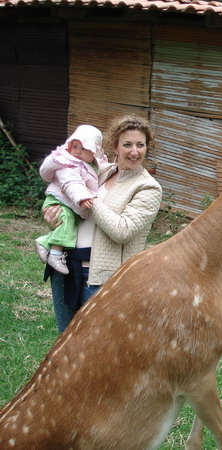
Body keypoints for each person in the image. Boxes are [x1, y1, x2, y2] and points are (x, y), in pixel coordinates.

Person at [44, 115, 162, 333]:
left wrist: (86, 198)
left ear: (147, 147)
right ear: (115, 146)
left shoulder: (148, 188)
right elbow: (72, 207)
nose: (134, 151)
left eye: (140, 145)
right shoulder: (99, 171)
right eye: (127, 144)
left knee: (94, 347)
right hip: (66, 266)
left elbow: (122, 231)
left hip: (100, 278)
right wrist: (55, 220)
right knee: (64, 340)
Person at [35, 125, 105, 275]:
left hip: (68, 202)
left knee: (70, 225)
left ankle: (45, 242)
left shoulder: (90, 165)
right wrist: (82, 197)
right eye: (75, 146)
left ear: (94, 152)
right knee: (66, 221)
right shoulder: (68, 164)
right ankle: (55, 255)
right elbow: (71, 183)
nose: (78, 151)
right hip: (59, 201)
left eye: (84, 148)